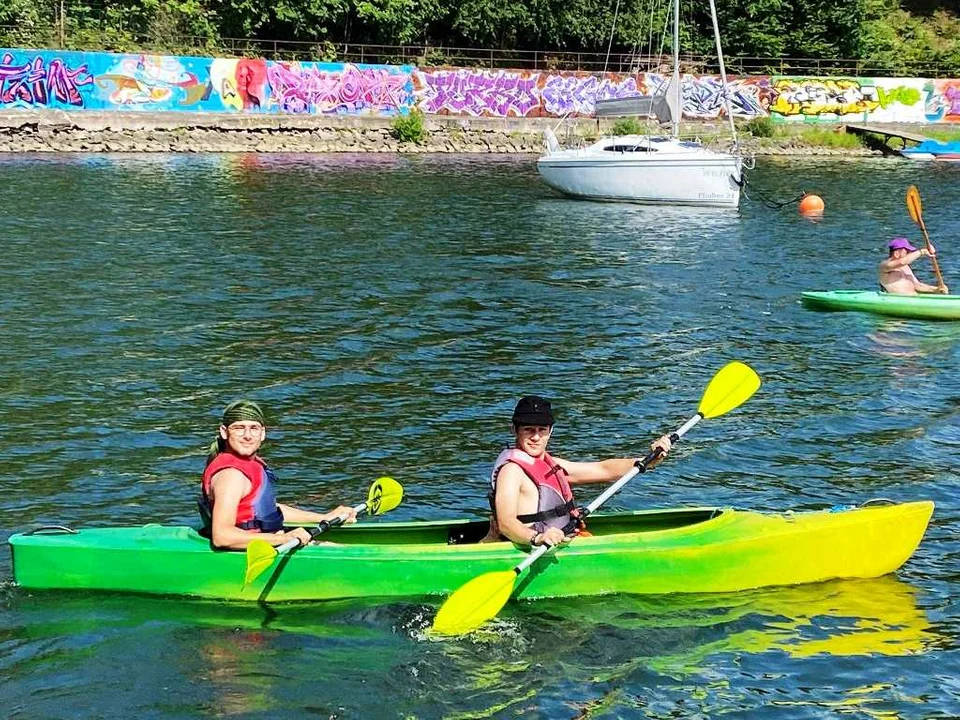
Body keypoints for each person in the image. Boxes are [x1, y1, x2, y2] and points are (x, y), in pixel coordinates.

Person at [482, 395, 673, 547]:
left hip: (563, 536)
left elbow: (603, 469)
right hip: (534, 545)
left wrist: (647, 460)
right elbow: (506, 523)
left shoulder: (550, 464)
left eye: (542, 430)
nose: (536, 437)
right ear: (514, 430)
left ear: (551, 431)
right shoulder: (512, 471)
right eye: (528, 430)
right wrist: (538, 538)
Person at [199, 400, 357, 550]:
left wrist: (324, 517)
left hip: (271, 541)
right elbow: (222, 536)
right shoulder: (231, 476)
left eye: (254, 428)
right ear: (224, 432)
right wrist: (285, 539)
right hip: (253, 551)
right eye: (239, 428)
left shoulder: (249, 465)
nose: (248, 435)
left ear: (262, 434)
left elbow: (268, 511)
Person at [879, 237, 949, 295]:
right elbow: (902, 262)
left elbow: (917, 285)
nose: (909, 254)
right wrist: (922, 251)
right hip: (899, 300)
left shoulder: (906, 267)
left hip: (914, 298)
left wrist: (936, 289)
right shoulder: (885, 265)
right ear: (896, 253)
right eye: (907, 252)